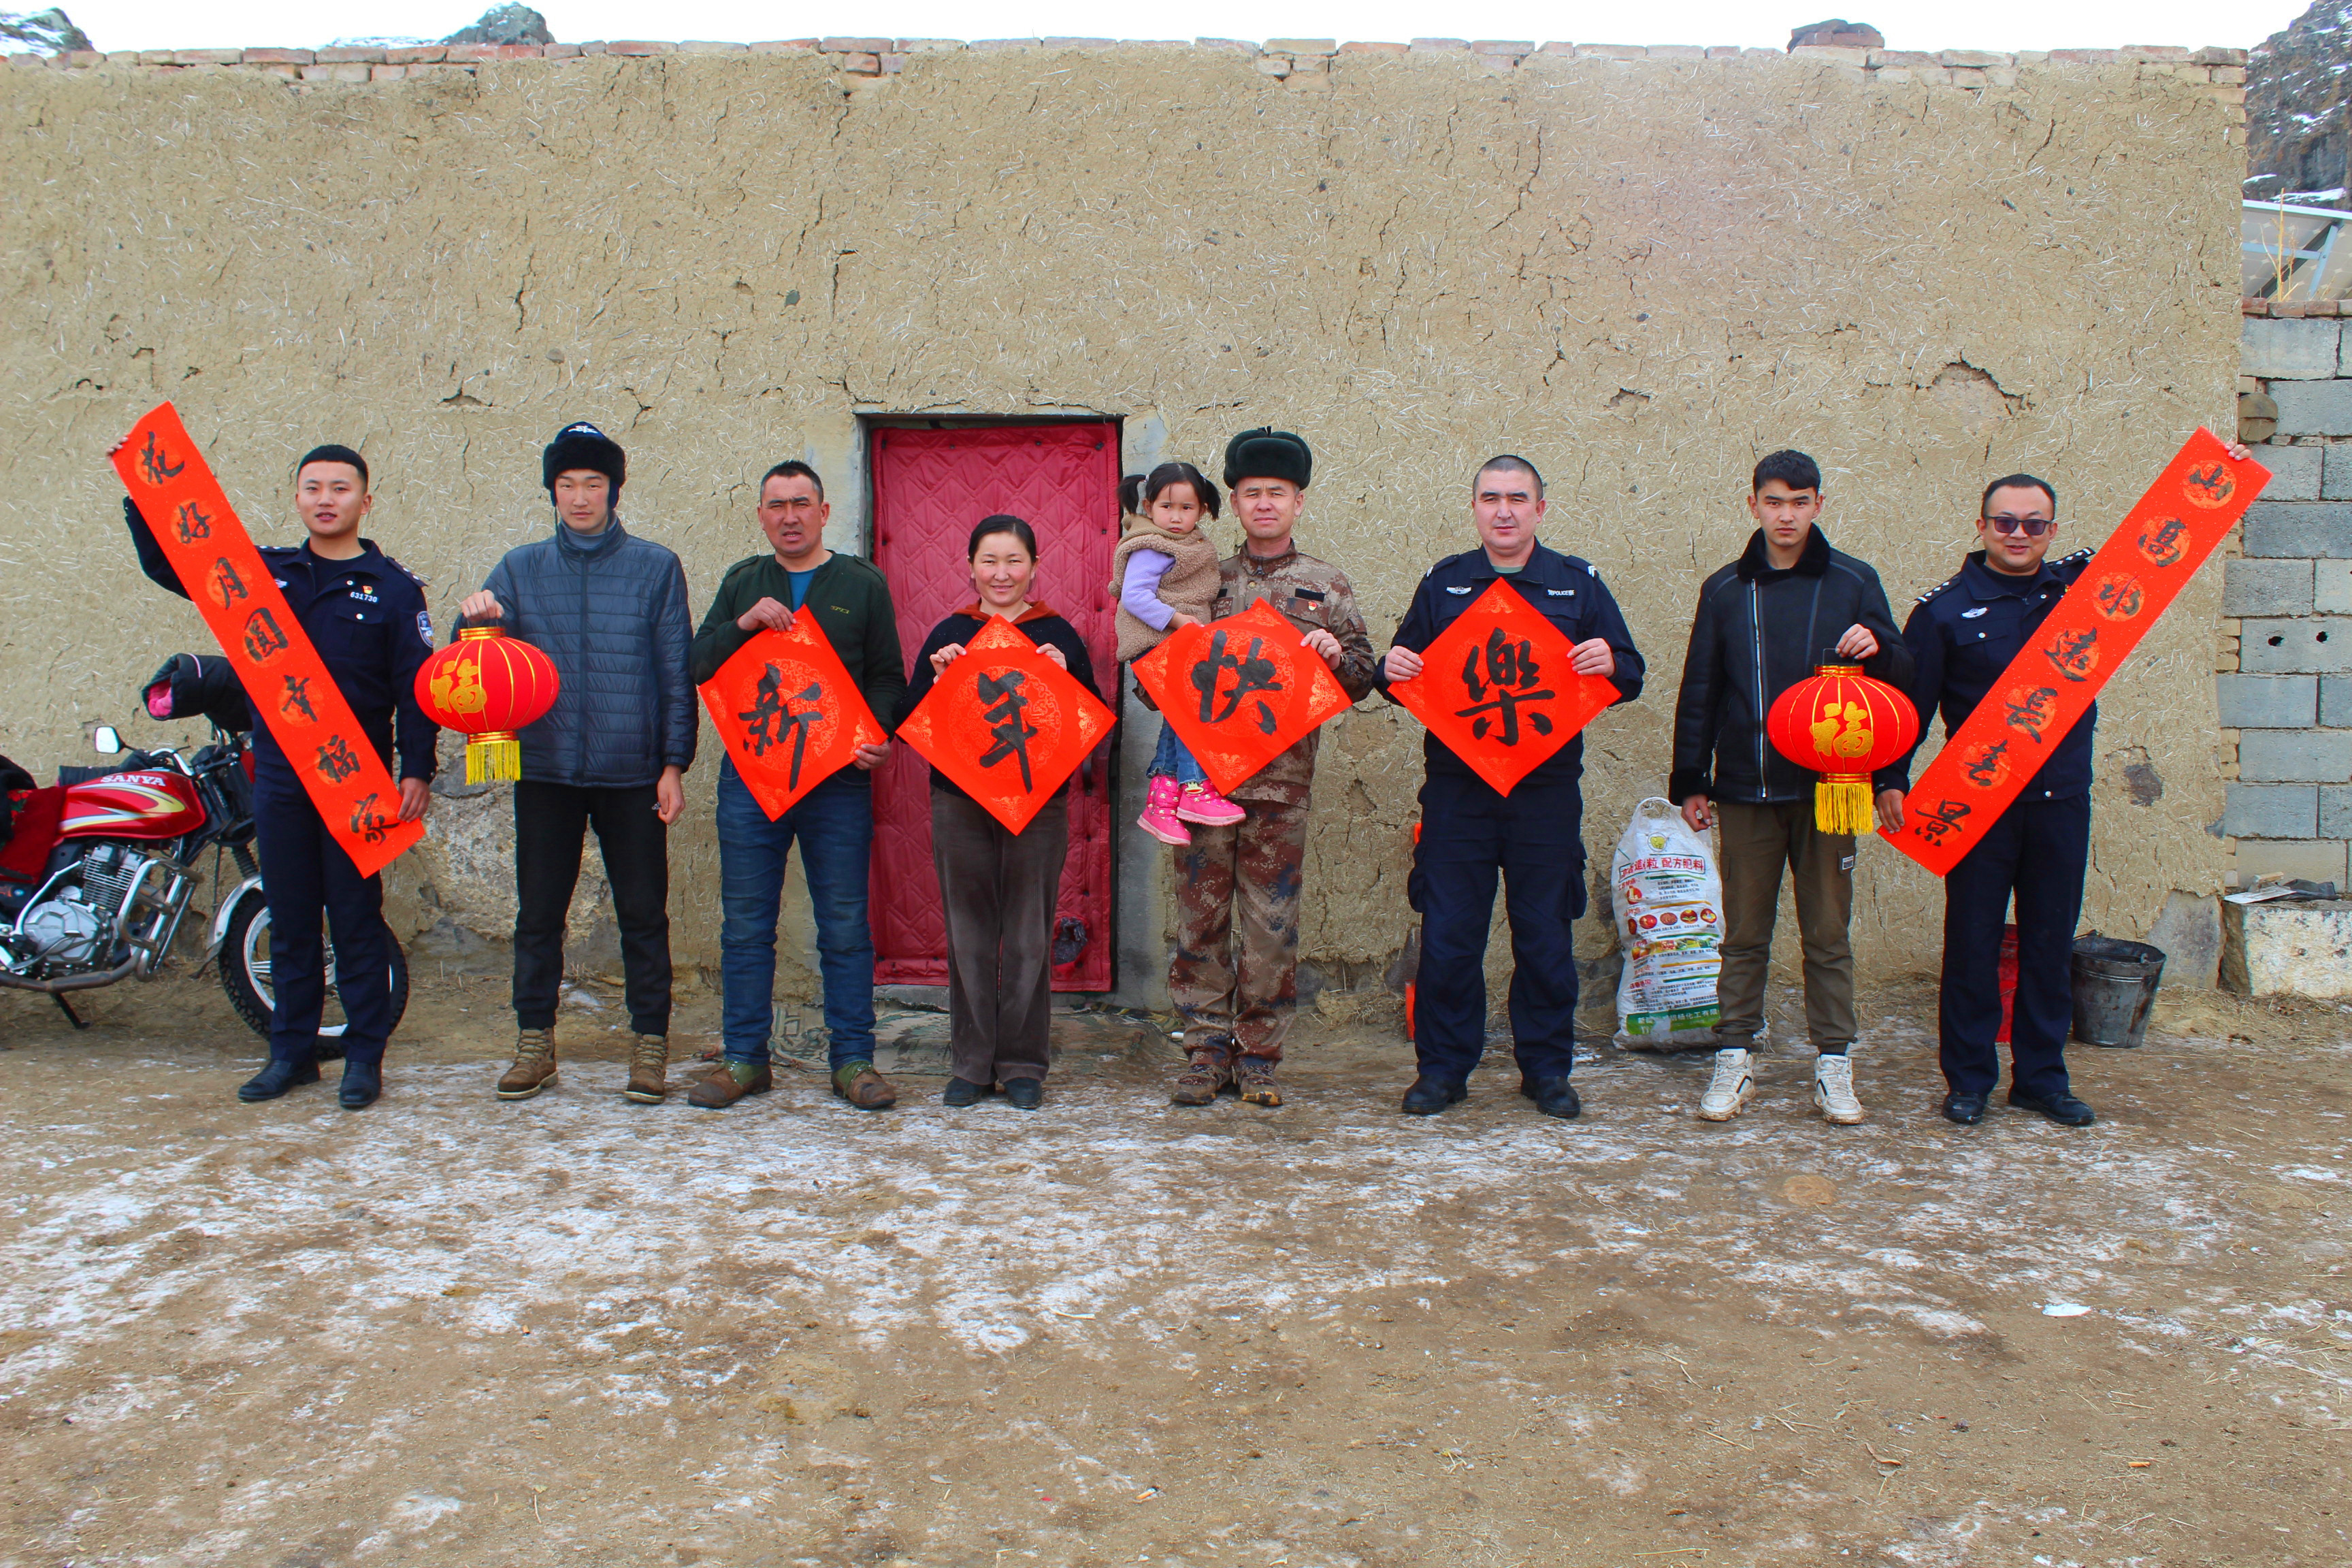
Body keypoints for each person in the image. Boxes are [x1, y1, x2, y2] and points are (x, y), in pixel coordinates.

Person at [1878, 447, 2253, 1126]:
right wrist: (1891, 780)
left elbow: (2162, 539)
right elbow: (1912, 708)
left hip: (2059, 804)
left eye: (2033, 524)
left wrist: (2221, 470)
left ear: (2052, 531)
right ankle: (1968, 1081)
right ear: (1982, 526)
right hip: (1981, 807)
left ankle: (2042, 1080)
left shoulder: (2083, 593)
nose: (2018, 534)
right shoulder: (1942, 613)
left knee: (2051, 946)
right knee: (1971, 945)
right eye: (2005, 522)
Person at [123, 445, 436, 1109]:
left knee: (355, 919)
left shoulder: (394, 589)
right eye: (313, 488)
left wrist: (418, 769)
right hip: (281, 775)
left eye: (341, 488)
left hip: (356, 780)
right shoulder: (263, 577)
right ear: (298, 498)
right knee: (290, 917)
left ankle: (362, 1059)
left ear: (365, 502)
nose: (326, 498)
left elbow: (416, 690)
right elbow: (174, 565)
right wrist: (145, 497)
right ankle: (290, 1054)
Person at [1379, 455, 1644, 1120]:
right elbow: (1401, 667)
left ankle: (1547, 1069)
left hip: (1544, 796)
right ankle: (1443, 1070)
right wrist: (1393, 665)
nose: (1504, 510)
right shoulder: (1444, 584)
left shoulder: (1575, 585)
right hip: (1458, 795)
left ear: (1540, 509)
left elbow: (1632, 670)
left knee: (1545, 939)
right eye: (1491, 498)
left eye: (1518, 498)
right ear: (1474, 508)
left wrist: (1610, 660)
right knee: (1448, 939)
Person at [1668, 449, 1911, 1126]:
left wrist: (1883, 650)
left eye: (1800, 501)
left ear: (1819, 506)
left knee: (1829, 932)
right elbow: (1701, 691)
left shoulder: (1855, 583)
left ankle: (1834, 1062)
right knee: (1744, 933)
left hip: (1836, 786)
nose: (1787, 514)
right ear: (1753, 506)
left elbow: (1899, 690)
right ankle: (1735, 1056)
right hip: (1747, 788)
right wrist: (1693, 779)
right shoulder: (1725, 590)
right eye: (1774, 501)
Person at [457, 422, 696, 1106]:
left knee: (644, 915)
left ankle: (649, 1048)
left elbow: (675, 673)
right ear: (551, 492)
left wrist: (673, 762)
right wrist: (474, 619)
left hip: (632, 771)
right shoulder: (519, 569)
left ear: (615, 491)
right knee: (539, 914)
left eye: (594, 484)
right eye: (568, 485)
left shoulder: (655, 566)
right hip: (546, 767)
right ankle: (535, 1045)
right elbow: (473, 661)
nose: (581, 497)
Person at [1167, 428, 1379, 1109]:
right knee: (1199, 920)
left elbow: (1363, 675)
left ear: (1299, 502)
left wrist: (1332, 656)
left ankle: (1258, 1056)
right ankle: (1204, 1052)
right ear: (1232, 501)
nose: (1265, 504)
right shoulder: (1202, 578)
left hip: (1282, 784)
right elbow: (1155, 673)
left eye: (1277, 494)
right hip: (1203, 783)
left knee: (1270, 925)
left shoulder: (1325, 584)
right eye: (1252, 493)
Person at [688, 460, 906, 1113]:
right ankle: (745, 1059)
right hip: (754, 779)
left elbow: (888, 677)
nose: (789, 516)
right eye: (776, 505)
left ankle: (853, 1060)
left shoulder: (860, 583)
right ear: (761, 515)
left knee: (843, 921)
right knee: (747, 924)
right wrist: (743, 626)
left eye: (801, 503)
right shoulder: (742, 583)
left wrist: (881, 734)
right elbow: (698, 665)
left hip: (837, 781)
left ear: (823, 512)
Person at [901, 516, 1101, 1110]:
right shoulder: (950, 631)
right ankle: (970, 1063)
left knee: (1029, 936)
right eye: (989, 561)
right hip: (959, 803)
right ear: (970, 567)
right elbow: (911, 725)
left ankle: (1022, 1065)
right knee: (968, 935)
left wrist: (1065, 683)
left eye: (1014, 561)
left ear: (1035, 568)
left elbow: (1089, 728)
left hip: (1038, 805)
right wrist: (938, 681)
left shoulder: (1058, 635)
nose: (1002, 574)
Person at [1113, 463, 1245, 845]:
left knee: (1179, 717)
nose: (1175, 516)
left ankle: (1162, 802)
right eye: (1166, 507)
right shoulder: (1152, 546)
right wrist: (1178, 620)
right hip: (1158, 642)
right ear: (1149, 506)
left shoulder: (1186, 545)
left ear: (1202, 509)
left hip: (1173, 642)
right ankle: (1196, 788)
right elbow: (1134, 596)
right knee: (1194, 713)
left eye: (1186, 508)